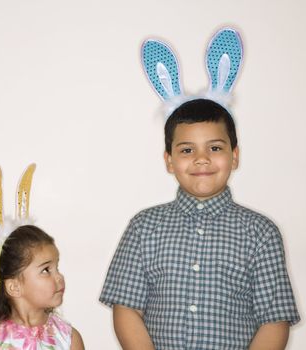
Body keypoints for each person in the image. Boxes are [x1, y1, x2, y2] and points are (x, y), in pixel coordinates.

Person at [99, 29, 300, 349]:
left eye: (215, 148)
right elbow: (126, 309)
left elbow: (274, 320)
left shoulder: (261, 232)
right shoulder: (143, 227)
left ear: (235, 156)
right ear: (169, 160)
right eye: (187, 150)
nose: (202, 159)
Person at [0, 165, 84, 350]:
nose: (59, 277)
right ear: (14, 286)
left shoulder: (69, 338)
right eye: (46, 270)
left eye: (56, 267)